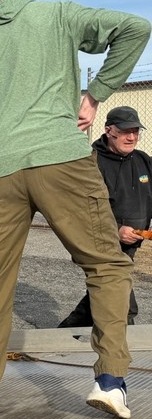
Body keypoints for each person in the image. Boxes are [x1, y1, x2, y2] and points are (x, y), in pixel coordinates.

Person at [0, 0, 151, 419]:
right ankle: (111, 380)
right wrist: (96, 93)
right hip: (60, 159)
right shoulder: (57, 15)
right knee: (106, 264)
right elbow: (136, 27)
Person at [59, 106, 152, 328]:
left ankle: (64, 335)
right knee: (122, 302)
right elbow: (81, 209)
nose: (131, 137)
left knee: (101, 295)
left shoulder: (143, 160)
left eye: (136, 131)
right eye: (125, 131)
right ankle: (122, 356)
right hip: (99, 242)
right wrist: (117, 229)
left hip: (130, 244)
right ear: (109, 130)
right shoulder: (90, 163)